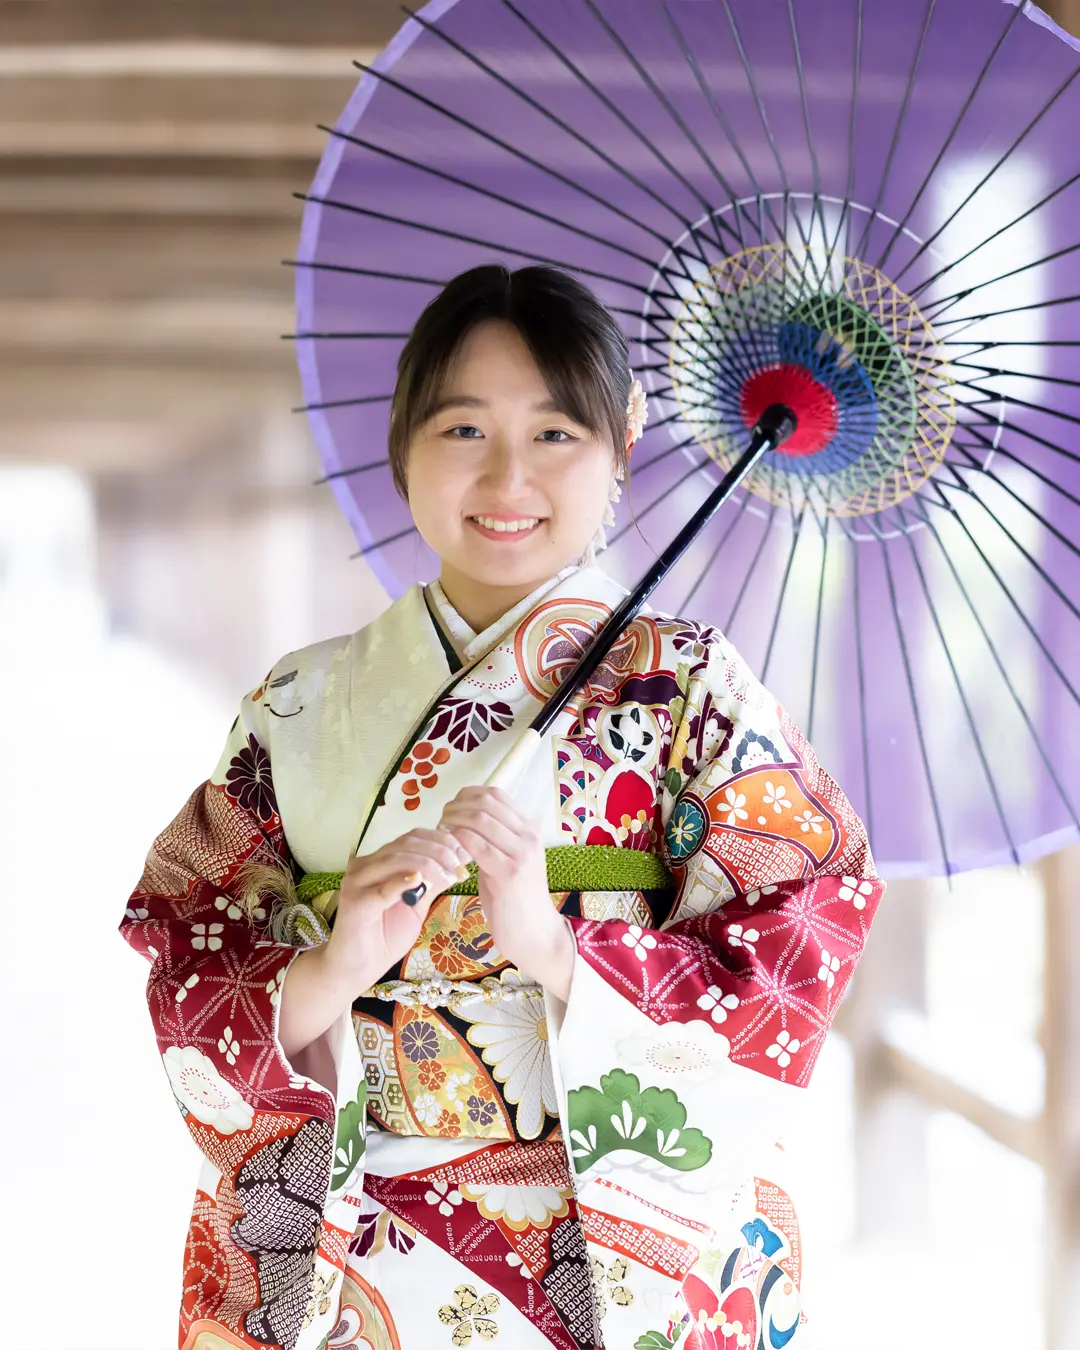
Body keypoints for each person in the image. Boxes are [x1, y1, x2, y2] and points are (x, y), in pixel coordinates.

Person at [121, 264, 883, 1350]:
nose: (508, 476)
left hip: (616, 1248)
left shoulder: (695, 694)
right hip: (360, 1237)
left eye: (557, 434)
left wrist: (562, 952)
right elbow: (184, 931)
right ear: (404, 446)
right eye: (464, 429)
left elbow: (807, 919)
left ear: (621, 445)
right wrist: (331, 968)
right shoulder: (301, 704)